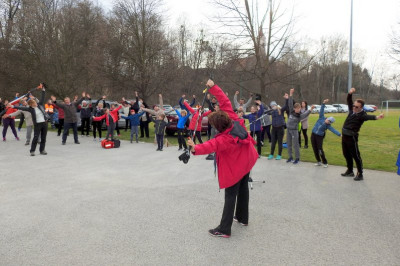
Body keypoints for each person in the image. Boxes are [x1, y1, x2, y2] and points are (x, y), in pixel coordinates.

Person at [187, 79, 258, 238]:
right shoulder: (232, 117)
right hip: (247, 161)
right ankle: (242, 217)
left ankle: (224, 229)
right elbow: (225, 101)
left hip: (239, 166)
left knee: (231, 195)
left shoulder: (223, 139)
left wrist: (194, 147)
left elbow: (208, 146)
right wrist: (213, 87)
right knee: (243, 188)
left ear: (218, 127)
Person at [341, 88, 384, 181]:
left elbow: (370, 117)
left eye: (356, 107)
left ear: (361, 107)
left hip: (351, 137)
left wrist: (378, 117)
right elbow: (349, 100)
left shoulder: (362, 115)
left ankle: (360, 174)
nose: (354, 107)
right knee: (346, 154)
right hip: (344, 136)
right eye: (354, 106)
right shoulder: (352, 110)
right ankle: (350, 171)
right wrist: (350, 93)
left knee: (356, 155)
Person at [12, 84, 49, 156]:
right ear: (31, 104)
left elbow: (43, 97)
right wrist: (13, 106)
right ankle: (32, 151)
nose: (35, 103)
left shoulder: (40, 105)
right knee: (35, 138)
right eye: (34, 103)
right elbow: (22, 108)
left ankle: (42, 150)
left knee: (43, 138)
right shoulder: (30, 109)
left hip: (44, 123)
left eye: (35, 102)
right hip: (37, 124)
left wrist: (43, 90)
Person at [285, 88, 314, 164]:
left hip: (294, 131)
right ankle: (290, 157)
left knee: (295, 145)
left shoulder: (299, 116)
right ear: (294, 109)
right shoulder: (291, 112)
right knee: (289, 144)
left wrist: (310, 109)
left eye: (299, 108)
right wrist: (291, 94)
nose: (298, 110)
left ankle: (297, 158)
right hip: (288, 130)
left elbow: (306, 114)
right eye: (297, 108)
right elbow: (290, 103)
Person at [311, 99, 341, 168]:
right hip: (313, 135)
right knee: (314, 148)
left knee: (320, 149)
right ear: (327, 118)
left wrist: (340, 134)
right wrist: (323, 103)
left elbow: (333, 130)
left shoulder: (328, 126)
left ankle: (325, 162)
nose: (328, 122)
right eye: (328, 120)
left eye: (330, 122)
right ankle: (318, 161)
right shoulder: (321, 117)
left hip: (319, 137)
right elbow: (321, 110)